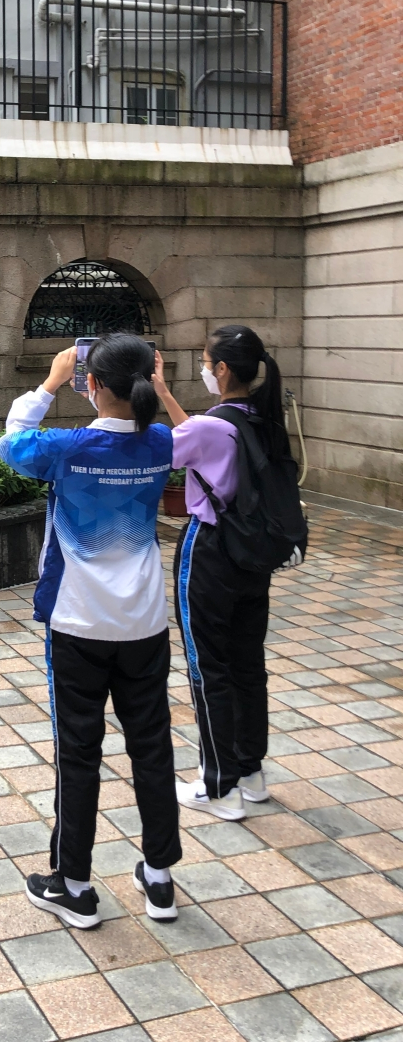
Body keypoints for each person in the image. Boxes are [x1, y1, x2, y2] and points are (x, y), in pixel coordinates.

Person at [0, 334, 181, 929]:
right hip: (145, 622)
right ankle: (159, 879)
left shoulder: (67, 448)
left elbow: (9, 442)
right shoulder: (161, 442)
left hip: (78, 622)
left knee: (79, 753)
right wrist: (155, 391)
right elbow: (181, 435)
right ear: (147, 380)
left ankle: (74, 885)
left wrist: (50, 383)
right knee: (151, 747)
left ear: (92, 384)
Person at [152, 325, 295, 821]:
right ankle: (250, 774)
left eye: (205, 361)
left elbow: (169, 450)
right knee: (246, 665)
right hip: (252, 552)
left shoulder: (212, 426)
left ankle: (219, 787)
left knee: (207, 666)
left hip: (210, 551)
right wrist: (166, 394)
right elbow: (197, 440)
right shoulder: (262, 418)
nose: (203, 369)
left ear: (223, 369)